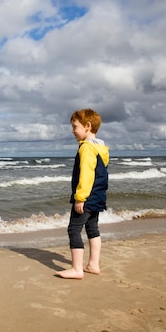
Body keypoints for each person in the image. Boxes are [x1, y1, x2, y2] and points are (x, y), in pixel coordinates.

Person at [55, 108, 109, 280]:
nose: (73, 131)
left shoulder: (86, 148)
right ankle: (93, 264)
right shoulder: (100, 147)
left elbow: (86, 175)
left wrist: (80, 198)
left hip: (87, 197)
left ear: (87, 126)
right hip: (98, 195)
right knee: (92, 227)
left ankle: (77, 269)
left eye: (75, 127)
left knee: (74, 229)